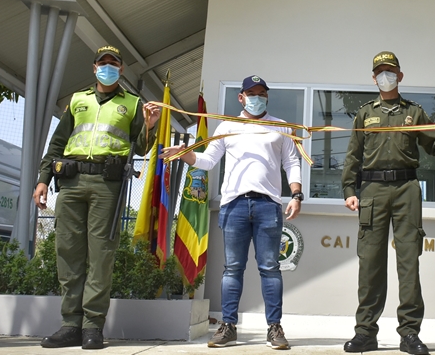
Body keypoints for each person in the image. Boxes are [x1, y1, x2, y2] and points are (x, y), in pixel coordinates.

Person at [341, 52, 435, 355]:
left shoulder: (414, 113)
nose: (385, 76)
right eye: (380, 72)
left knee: (408, 262)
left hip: (406, 189)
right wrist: (350, 189)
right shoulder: (364, 114)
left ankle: (409, 333)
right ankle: (365, 333)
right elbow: (353, 156)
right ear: (374, 78)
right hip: (372, 190)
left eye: (390, 71)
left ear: (400, 76)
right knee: (370, 264)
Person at [33, 45, 161, 350]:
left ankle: (92, 326)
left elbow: (141, 148)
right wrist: (42, 180)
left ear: (121, 69)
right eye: (102, 63)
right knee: (68, 253)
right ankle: (70, 325)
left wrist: (151, 125)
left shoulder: (132, 104)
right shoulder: (78, 101)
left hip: (107, 184)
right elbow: (57, 143)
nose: (107, 67)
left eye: (113, 64)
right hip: (71, 182)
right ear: (94, 68)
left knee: (101, 256)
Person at [161, 75, 302, 350]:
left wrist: (296, 194)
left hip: (268, 206)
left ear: (267, 97)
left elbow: (292, 162)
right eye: (251, 93)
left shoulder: (280, 128)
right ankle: (228, 326)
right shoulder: (227, 127)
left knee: (271, 269)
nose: (256, 97)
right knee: (232, 269)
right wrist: (185, 153)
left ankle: (274, 327)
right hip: (235, 205)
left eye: (262, 93)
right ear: (241, 97)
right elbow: (207, 160)